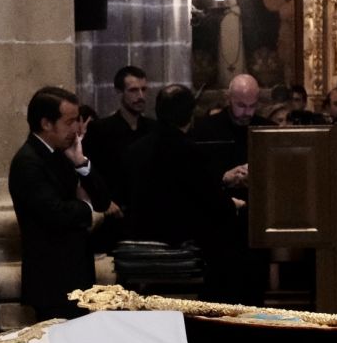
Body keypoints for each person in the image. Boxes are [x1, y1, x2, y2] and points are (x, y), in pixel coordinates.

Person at [122, 83, 245, 298]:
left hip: (141, 232)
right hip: (179, 237)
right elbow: (210, 200)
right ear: (189, 116)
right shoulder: (189, 150)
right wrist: (232, 204)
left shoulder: (135, 149)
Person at [10, 84, 100, 319]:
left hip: (75, 276)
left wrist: (81, 164)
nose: (76, 129)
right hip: (53, 280)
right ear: (46, 123)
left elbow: (103, 200)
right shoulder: (28, 162)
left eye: (77, 120)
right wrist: (86, 207)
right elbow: (55, 213)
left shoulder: (63, 154)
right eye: (69, 122)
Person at [85, 64, 153, 207]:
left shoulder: (153, 128)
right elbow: (92, 173)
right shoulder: (99, 130)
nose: (140, 96)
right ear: (119, 92)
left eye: (144, 89)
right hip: (115, 208)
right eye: (133, 90)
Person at [189, 72, 264, 187]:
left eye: (252, 106)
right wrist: (224, 177)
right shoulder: (204, 129)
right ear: (228, 99)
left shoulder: (266, 128)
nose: (247, 112)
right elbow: (195, 175)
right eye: (241, 105)